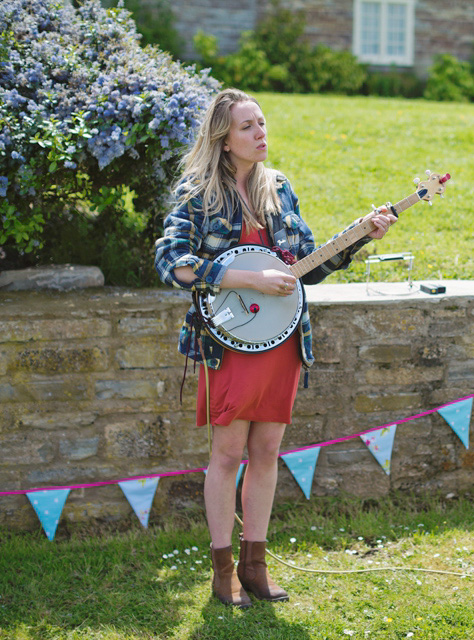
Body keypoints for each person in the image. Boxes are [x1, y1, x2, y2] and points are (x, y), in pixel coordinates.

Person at [154, 88, 396, 608]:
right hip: (230, 341)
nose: (261, 132)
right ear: (223, 139)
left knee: (266, 453)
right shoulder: (197, 193)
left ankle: (255, 567)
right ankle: (223, 573)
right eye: (248, 126)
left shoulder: (279, 190)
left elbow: (309, 264)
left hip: (281, 338)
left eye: (262, 123)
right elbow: (173, 263)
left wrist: (360, 237)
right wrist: (247, 279)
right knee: (227, 454)